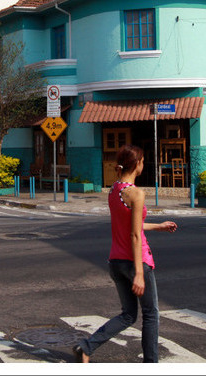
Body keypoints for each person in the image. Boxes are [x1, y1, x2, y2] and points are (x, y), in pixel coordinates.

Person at [73, 144, 177, 363]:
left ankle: (86, 347)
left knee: (128, 315)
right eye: (142, 161)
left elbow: (133, 225)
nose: (143, 164)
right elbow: (135, 236)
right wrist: (139, 272)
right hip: (135, 262)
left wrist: (159, 226)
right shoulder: (136, 193)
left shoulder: (114, 190)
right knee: (150, 314)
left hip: (116, 261)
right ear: (137, 164)